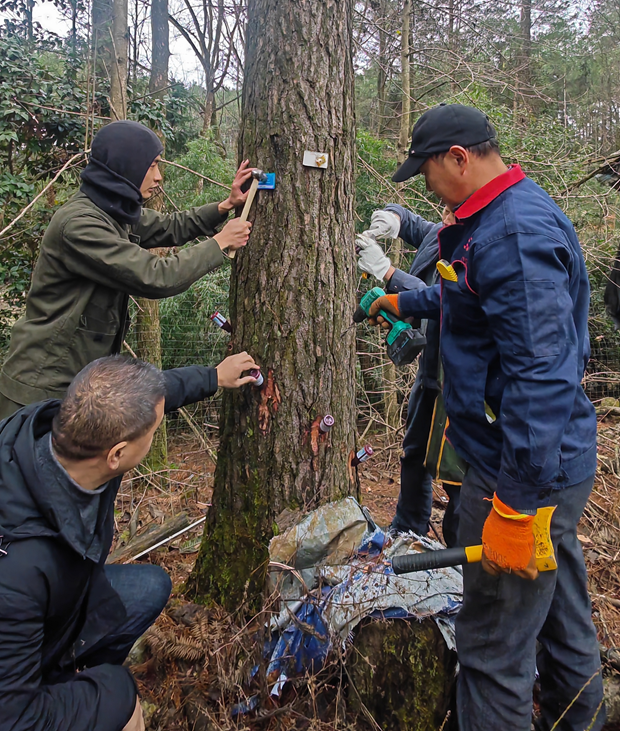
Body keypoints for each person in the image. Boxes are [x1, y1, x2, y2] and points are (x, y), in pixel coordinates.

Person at [368, 104, 605, 731]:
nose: (425, 186)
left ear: (458, 159)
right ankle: (575, 716)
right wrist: (406, 298)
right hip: (544, 467)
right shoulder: (505, 215)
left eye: (426, 172)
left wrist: (512, 505)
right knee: (560, 611)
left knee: (492, 649)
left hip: (519, 472)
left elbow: (542, 378)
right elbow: (468, 292)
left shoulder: (515, 234)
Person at [0, 351, 260, 731]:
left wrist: (213, 377)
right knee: (119, 702)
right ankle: (65, 687)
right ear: (117, 454)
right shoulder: (17, 572)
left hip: (63, 596)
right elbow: (13, 718)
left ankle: (73, 675)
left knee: (150, 587)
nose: (154, 435)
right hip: (20, 661)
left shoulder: (65, 428)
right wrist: (116, 694)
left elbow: (151, 396)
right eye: (152, 433)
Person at [0, 120, 254, 420]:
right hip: (43, 389)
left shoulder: (112, 210)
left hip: (79, 382)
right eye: (153, 166)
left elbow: (168, 226)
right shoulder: (81, 224)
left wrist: (225, 206)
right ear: (126, 166)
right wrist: (219, 243)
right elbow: (157, 277)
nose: (159, 177)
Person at [356, 206, 460, 546]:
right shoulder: (440, 232)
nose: (446, 216)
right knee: (414, 453)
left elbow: (441, 300)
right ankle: (407, 527)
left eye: (453, 212)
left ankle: (461, 546)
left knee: (458, 472)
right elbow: (416, 225)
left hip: (457, 379)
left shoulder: (474, 249)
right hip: (429, 372)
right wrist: (392, 218)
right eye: (444, 209)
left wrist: (388, 273)